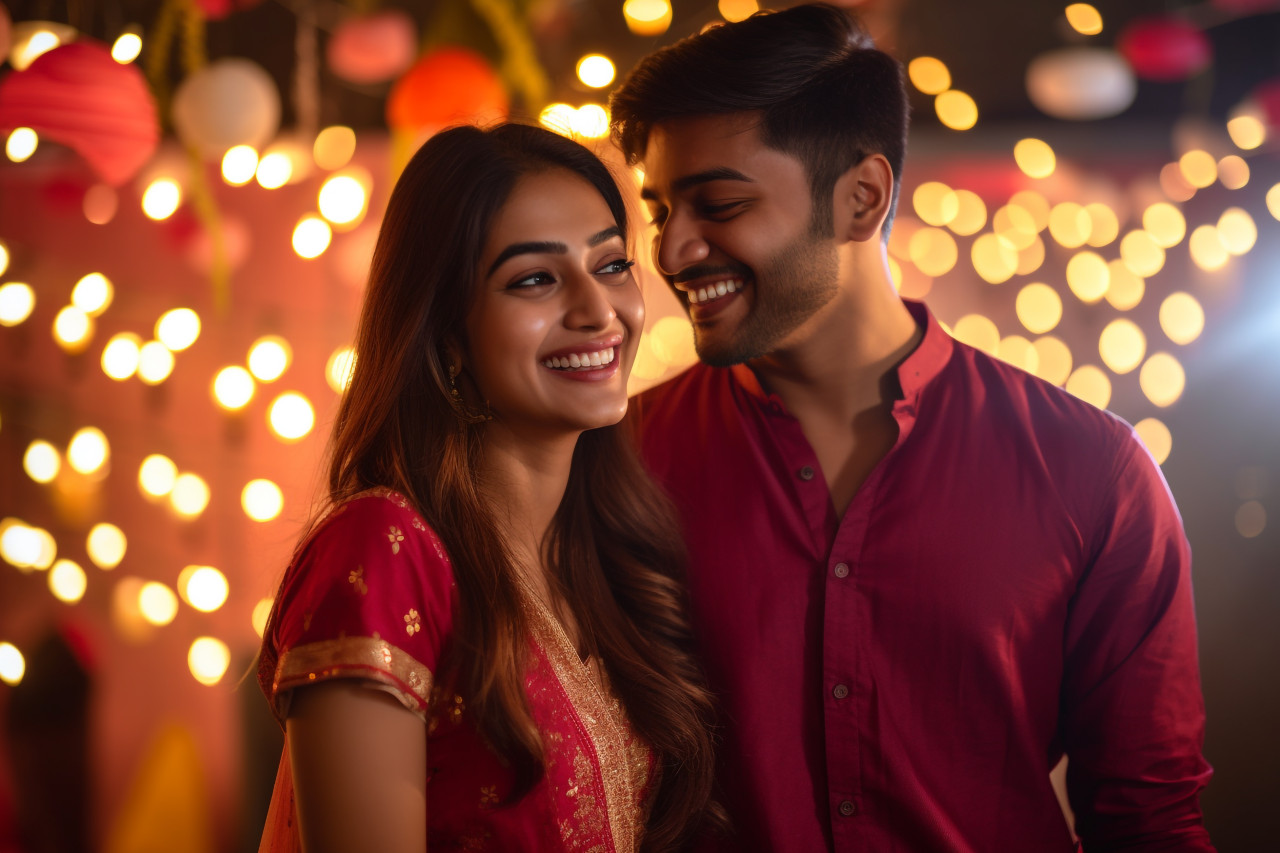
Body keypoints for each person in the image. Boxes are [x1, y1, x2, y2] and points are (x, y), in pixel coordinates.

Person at [610, 4, 1215, 852]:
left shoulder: (1093, 470)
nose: (671, 252)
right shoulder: (616, 466)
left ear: (862, 198)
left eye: (716, 204)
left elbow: (1149, 820)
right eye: (659, 209)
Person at [256, 122, 720, 853]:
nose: (598, 311)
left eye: (611, 264)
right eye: (535, 278)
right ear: (445, 335)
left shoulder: (602, 553)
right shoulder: (386, 546)